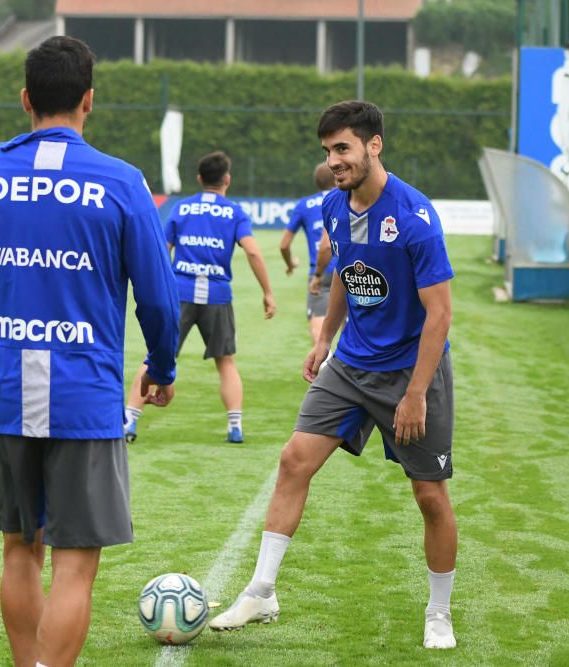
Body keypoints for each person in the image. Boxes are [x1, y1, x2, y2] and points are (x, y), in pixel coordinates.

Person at [0, 36, 180, 667]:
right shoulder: (122, 182)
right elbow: (157, 296)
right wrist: (162, 365)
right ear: (89, 101)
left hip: (8, 391)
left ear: (24, 100)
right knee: (75, 563)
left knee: (20, 547)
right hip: (85, 392)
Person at [208, 100, 458, 651]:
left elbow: (439, 314)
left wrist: (416, 393)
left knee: (429, 496)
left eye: (343, 149)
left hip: (409, 372)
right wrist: (324, 340)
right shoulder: (333, 206)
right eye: (328, 152)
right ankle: (262, 590)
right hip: (350, 365)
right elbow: (345, 273)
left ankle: (439, 612)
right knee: (294, 459)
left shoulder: (414, 216)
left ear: (374, 146)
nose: (334, 161)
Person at [123, 151, 276, 445]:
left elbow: (161, 249)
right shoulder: (234, 212)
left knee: (154, 356)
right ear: (227, 180)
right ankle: (235, 426)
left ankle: (130, 420)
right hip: (218, 297)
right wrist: (268, 293)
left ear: (199, 179)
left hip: (179, 294)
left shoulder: (181, 209)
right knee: (225, 362)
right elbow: (254, 251)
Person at [280, 163, 336, 344]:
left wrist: (290, 264)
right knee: (352, 327)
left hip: (320, 272)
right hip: (349, 269)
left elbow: (284, 245)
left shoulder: (304, 205)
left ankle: (324, 367)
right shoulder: (349, 198)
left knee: (318, 328)